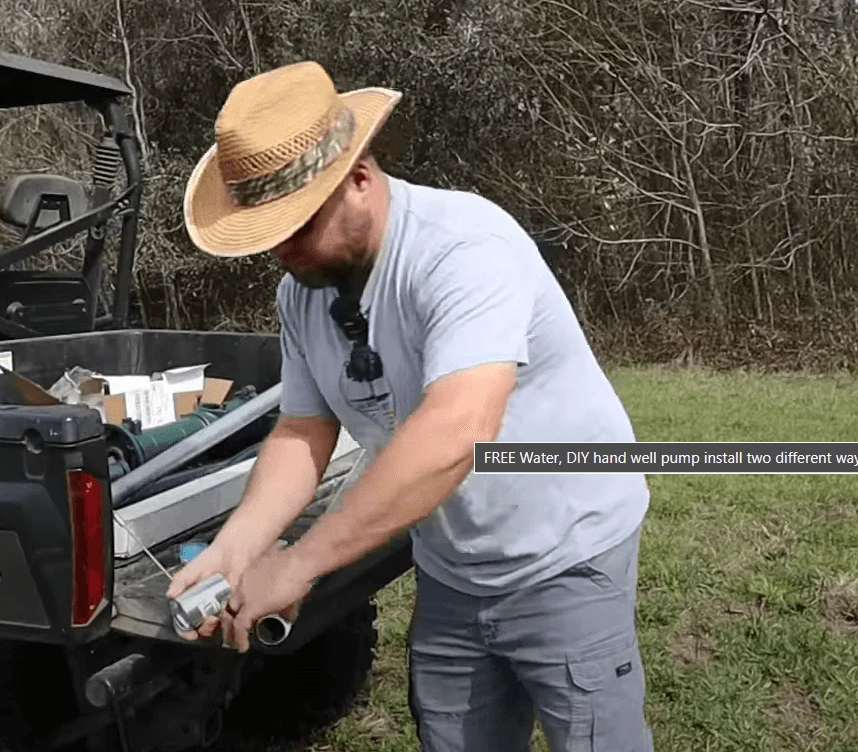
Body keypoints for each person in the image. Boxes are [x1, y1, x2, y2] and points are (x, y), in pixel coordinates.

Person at [168, 60, 654, 752]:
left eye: (297, 224)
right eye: (265, 232)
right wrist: (235, 547)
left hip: (564, 551)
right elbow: (303, 430)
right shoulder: (301, 291)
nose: (281, 250)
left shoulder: (463, 249)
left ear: (359, 177)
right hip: (452, 564)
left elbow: (456, 431)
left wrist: (299, 563)